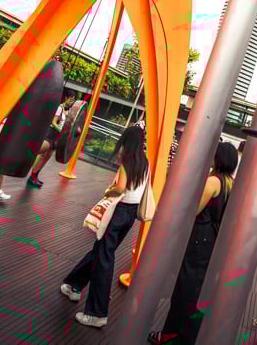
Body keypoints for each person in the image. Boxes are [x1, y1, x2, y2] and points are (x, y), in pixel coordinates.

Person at [58, 124, 149, 328]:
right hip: (130, 215)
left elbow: (120, 189)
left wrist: (108, 192)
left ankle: (97, 313)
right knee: (100, 251)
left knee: (104, 259)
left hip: (118, 212)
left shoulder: (127, 162)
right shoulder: (145, 163)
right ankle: (74, 285)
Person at [148, 141, 238, 344]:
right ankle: (186, 337)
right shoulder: (230, 183)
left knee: (183, 291)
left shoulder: (213, 182)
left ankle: (170, 336)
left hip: (198, 241)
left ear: (218, 158)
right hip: (212, 242)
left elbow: (193, 211)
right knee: (197, 293)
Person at [28, 91, 77, 188]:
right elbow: (53, 122)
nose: (71, 102)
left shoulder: (69, 112)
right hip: (51, 135)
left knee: (45, 158)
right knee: (36, 152)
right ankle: (22, 162)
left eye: (73, 100)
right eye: (70, 99)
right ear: (66, 98)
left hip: (57, 138)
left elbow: (69, 125)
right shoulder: (60, 108)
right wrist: (61, 130)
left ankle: (34, 175)